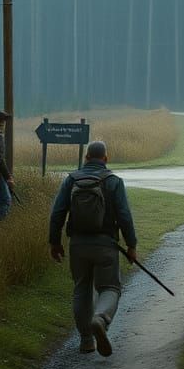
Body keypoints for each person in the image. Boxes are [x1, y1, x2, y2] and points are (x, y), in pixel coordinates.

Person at [48, 140, 138, 357]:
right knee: (110, 287)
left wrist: (55, 242)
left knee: (82, 288)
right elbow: (124, 216)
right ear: (106, 159)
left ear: (86, 158)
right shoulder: (114, 181)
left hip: (78, 245)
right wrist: (131, 245)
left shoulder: (71, 180)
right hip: (106, 245)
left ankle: (86, 340)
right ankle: (101, 319)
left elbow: (57, 213)